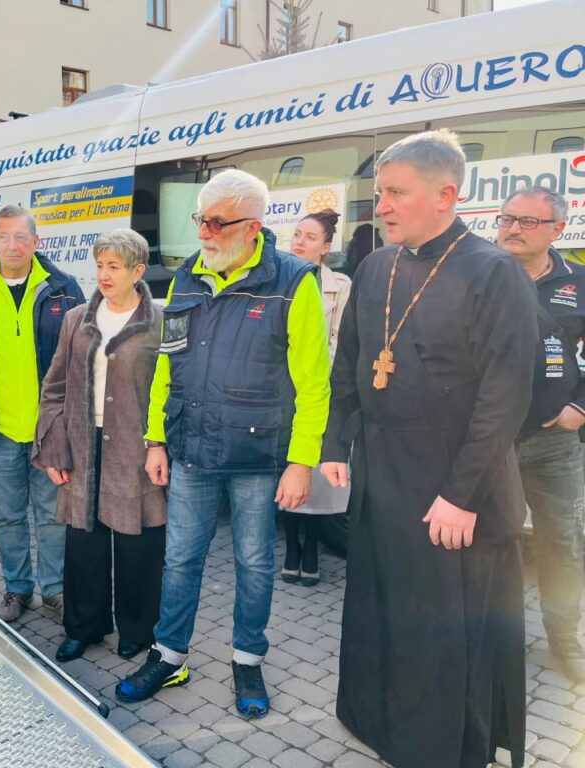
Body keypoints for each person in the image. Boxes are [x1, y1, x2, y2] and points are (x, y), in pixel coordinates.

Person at [321, 129, 537, 768]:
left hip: (454, 485)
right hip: (383, 474)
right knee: (383, 609)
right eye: (379, 192)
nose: (380, 205)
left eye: (395, 193)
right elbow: (352, 366)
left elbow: (504, 400)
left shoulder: (493, 272)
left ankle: (445, 750)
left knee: (445, 629)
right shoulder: (375, 266)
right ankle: (380, 724)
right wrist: (337, 442)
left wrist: (459, 495)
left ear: (446, 194)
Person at [115, 169, 331, 718]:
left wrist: (302, 460)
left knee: (254, 562)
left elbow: (314, 381)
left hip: (259, 458)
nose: (205, 233)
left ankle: (247, 659)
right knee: (181, 559)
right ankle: (169, 656)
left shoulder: (293, 280)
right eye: (200, 220)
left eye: (217, 222)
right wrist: (155, 438)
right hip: (190, 450)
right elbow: (169, 362)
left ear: (253, 227)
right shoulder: (187, 276)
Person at [34, 229, 166, 663]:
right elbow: (53, 388)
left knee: (138, 546)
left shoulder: (159, 321)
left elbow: (174, 388)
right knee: (83, 545)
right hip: (82, 444)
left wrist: (159, 445)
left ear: (138, 271)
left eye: (114, 266)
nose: (104, 275)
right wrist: (53, 448)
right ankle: (84, 627)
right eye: (100, 265)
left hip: (136, 448)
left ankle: (137, 629)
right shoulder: (76, 319)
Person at [0, 205, 85, 622]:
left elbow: (80, 361)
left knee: (51, 516)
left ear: (35, 242)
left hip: (49, 430)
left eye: (21, 237)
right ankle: (16, 588)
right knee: (7, 516)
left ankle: (56, 590)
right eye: (4, 236)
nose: (13, 245)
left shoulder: (64, 289)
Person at [498, 187, 585, 682]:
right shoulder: (476, 273)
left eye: (529, 221)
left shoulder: (580, 281)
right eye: (508, 217)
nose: (513, 227)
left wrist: (581, 407)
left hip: (554, 441)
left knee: (562, 542)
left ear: (557, 230)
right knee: (491, 541)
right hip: (489, 439)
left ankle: (564, 638)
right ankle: (494, 636)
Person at [281, 209, 351, 586]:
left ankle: (310, 550)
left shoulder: (340, 286)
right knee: (287, 470)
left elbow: (340, 341)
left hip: (317, 390)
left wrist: (317, 380)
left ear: (325, 247)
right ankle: (292, 547)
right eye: (296, 234)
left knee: (315, 478)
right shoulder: (278, 279)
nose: (299, 242)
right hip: (281, 393)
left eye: (310, 237)